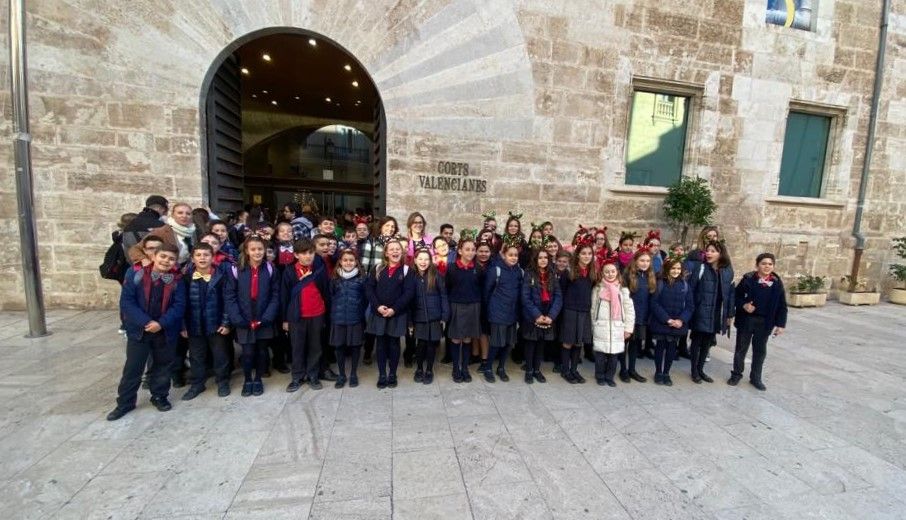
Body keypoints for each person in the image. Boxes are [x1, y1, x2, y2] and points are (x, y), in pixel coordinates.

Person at [107, 243, 186, 421]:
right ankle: (125, 402)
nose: (166, 261)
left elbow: (179, 305)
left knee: (162, 366)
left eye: (171, 259)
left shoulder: (177, 279)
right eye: (163, 257)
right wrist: (146, 321)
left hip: (164, 330)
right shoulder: (135, 274)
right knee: (133, 368)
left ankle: (159, 396)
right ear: (154, 256)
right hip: (139, 330)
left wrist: (161, 323)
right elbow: (127, 302)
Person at [225, 236, 280, 397]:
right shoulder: (236, 269)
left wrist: (268, 316)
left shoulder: (270, 269)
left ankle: (258, 379)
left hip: (264, 317)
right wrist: (237, 318)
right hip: (244, 318)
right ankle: (247, 379)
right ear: (247, 251)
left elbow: (275, 295)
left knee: (262, 351)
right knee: (248, 352)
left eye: (260, 249)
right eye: (253, 249)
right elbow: (230, 296)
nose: (257, 252)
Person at [180, 243, 232, 399]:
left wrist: (225, 323)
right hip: (194, 324)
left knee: (220, 354)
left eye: (206, 255)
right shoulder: (186, 278)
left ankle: (222, 381)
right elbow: (181, 304)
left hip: (216, 324)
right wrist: (183, 325)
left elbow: (227, 302)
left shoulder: (221, 277)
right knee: (196, 356)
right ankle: (197, 384)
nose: (202, 258)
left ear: (212, 257)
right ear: (192, 258)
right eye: (198, 255)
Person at [729, 253, 787, 391]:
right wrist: (744, 305)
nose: (767, 266)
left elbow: (782, 305)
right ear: (757, 265)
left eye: (770, 264)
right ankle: (736, 374)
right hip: (747, 320)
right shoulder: (748, 279)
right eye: (763, 263)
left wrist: (781, 324)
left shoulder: (777, 283)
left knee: (760, 351)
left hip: (765, 322)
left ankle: (756, 377)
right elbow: (735, 296)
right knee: (741, 349)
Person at [365, 240, 415, 388]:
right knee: (380, 344)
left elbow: (409, 293)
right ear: (386, 253)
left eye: (397, 249)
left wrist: (394, 309)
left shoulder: (407, 270)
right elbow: (369, 288)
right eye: (391, 249)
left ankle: (392, 373)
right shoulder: (378, 268)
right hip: (378, 312)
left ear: (402, 252)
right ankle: (382, 374)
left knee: (394, 344)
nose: (394, 252)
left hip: (397, 314)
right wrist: (378, 306)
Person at [283, 239, 331, 392]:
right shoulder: (289, 271)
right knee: (297, 347)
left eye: (311, 253)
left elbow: (325, 292)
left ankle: (313, 375)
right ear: (296, 255)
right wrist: (285, 319)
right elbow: (284, 296)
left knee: (315, 346)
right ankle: (297, 376)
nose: (308, 256)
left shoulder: (319, 269)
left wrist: (326, 313)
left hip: (317, 314)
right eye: (304, 253)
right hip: (297, 316)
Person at [687, 240, 735, 384]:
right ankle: (694, 371)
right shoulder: (700, 268)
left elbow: (730, 294)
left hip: (717, 312)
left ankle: (701, 369)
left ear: (721, 254)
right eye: (707, 250)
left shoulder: (727, 271)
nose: (709, 253)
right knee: (696, 342)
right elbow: (691, 289)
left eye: (713, 251)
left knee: (708, 342)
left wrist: (729, 314)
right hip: (700, 310)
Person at [648, 257, 694, 386]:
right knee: (660, 347)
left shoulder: (685, 285)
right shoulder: (660, 283)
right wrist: (666, 319)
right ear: (667, 269)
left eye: (678, 268)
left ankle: (666, 373)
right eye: (673, 268)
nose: (676, 271)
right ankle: (658, 371)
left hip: (677, 324)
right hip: (663, 322)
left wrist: (681, 320)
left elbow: (690, 306)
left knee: (671, 349)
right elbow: (654, 303)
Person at [482, 243, 524, 382]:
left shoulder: (519, 272)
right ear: (504, 255)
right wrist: (491, 310)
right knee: (496, 342)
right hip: (498, 312)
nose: (513, 258)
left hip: (512, 313)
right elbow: (487, 292)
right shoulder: (496, 270)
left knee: (508, 343)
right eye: (510, 255)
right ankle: (488, 367)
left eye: (515, 255)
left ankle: (501, 367)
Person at [520, 249, 562, 384]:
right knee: (531, 343)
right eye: (540, 258)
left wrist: (551, 315)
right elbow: (525, 297)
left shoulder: (553, 274)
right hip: (533, 315)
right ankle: (529, 370)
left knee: (541, 344)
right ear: (535, 259)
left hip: (548, 313)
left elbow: (558, 297)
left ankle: (537, 370)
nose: (543, 260)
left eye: (545, 258)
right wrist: (536, 314)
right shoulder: (529, 274)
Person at [591, 257, 634, 387]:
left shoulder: (623, 290)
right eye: (607, 272)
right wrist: (594, 325)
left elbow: (629, 310)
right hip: (601, 327)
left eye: (613, 271)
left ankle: (610, 376)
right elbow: (593, 309)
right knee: (599, 355)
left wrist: (628, 328)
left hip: (617, 328)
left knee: (614, 356)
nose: (610, 274)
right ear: (602, 273)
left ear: (617, 273)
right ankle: (600, 375)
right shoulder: (598, 289)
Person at [559, 242, 597, 384]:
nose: (586, 256)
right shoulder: (569, 272)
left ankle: (574, 369)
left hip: (584, 310)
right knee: (568, 341)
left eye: (589, 254)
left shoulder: (592, 272)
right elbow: (561, 292)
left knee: (578, 342)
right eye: (583, 253)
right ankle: (565, 370)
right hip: (570, 310)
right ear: (578, 255)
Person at [329, 249, 367, 388]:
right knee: (339, 347)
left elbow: (365, 299)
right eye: (345, 260)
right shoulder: (334, 278)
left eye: (351, 260)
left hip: (355, 318)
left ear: (356, 262)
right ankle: (341, 374)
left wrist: (360, 312)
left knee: (355, 346)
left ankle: (353, 374)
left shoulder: (362, 278)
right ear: (340, 262)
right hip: (338, 319)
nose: (348, 263)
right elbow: (330, 297)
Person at [411, 248, 449, 384]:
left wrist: (444, 315)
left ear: (430, 261)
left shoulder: (436, 275)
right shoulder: (412, 276)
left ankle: (429, 369)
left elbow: (443, 295)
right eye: (420, 259)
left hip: (434, 316)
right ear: (415, 260)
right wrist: (410, 319)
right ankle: (419, 368)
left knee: (431, 344)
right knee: (421, 344)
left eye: (426, 259)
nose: (423, 262)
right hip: (419, 316)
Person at [445, 237, 481, 383]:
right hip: (456, 305)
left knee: (467, 338)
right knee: (456, 337)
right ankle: (455, 368)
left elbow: (480, 288)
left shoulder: (478, 269)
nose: (471, 252)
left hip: (473, 305)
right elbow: (447, 288)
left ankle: (465, 368)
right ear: (460, 251)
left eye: (473, 250)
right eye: (467, 249)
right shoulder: (452, 268)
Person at [621, 248, 656, 382]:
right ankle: (623, 369)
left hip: (642, 316)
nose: (645, 263)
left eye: (647, 261)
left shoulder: (650, 277)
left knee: (636, 344)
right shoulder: (628, 276)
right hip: (629, 315)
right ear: (635, 261)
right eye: (642, 260)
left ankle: (632, 369)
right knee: (625, 343)